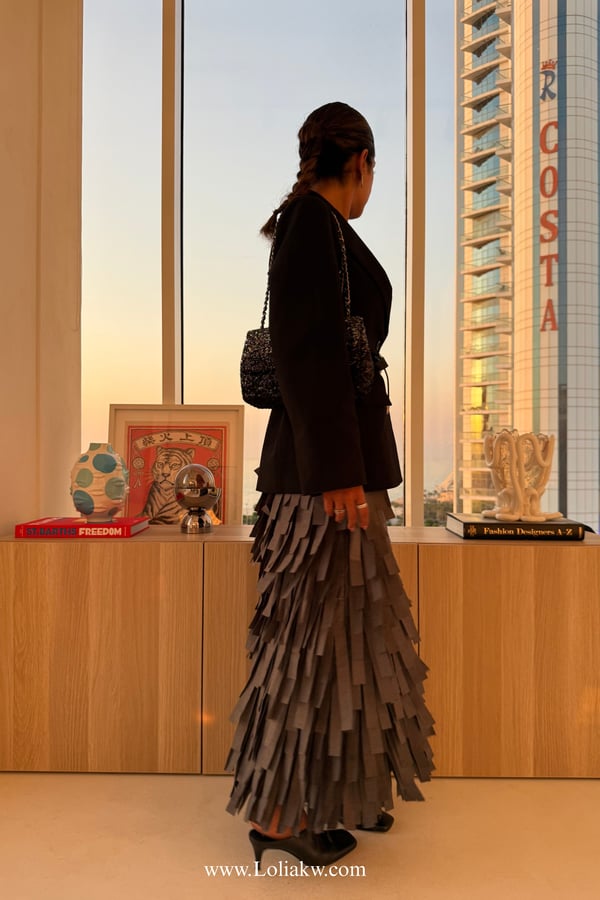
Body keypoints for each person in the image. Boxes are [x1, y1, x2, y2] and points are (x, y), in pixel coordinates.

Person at [226, 101, 434, 868]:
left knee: (350, 634)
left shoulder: (318, 227)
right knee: (307, 639)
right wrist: (340, 474)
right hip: (324, 481)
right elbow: (307, 355)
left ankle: (346, 790)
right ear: (362, 163)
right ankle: (279, 815)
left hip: (334, 473)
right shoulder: (313, 224)